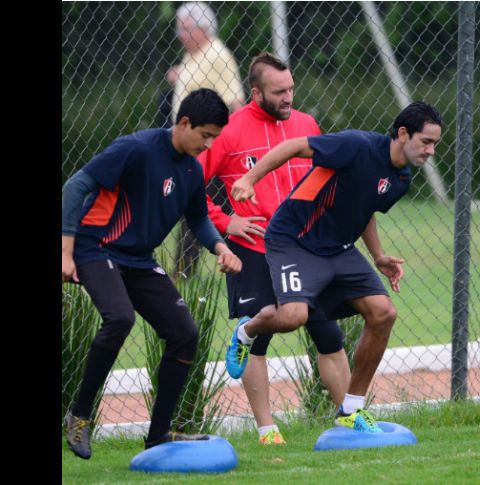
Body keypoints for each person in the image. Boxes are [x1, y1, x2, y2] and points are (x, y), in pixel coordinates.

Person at [227, 102, 443, 433]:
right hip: (294, 240)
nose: (430, 150)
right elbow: (295, 145)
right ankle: (247, 331)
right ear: (403, 133)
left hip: (339, 249)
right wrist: (249, 178)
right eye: (426, 141)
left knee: (384, 313)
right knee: (293, 317)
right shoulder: (357, 146)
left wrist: (379, 255)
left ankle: (351, 409)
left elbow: (366, 206)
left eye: (435, 144)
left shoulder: (401, 179)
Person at [62, 88, 243, 459]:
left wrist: (221, 247)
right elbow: (75, 185)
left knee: (184, 334)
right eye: (204, 135)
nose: (207, 145)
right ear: (184, 123)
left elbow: (198, 218)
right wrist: (65, 251)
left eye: (214, 138)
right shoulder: (137, 149)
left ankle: (159, 434)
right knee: (120, 318)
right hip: (97, 248)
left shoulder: (192, 169)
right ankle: (78, 416)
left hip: (139, 260)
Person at [198, 52, 351, 445]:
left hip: (304, 248)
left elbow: (324, 177)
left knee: (329, 335)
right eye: (279, 91)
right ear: (256, 92)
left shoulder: (306, 125)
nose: (288, 97)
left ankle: (351, 419)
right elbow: (189, 182)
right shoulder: (229, 130)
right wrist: (225, 221)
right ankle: (267, 431)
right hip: (253, 246)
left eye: (291, 89)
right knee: (259, 337)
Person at [167, 1, 246, 275]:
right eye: (179, 29)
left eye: (186, 29)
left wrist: (231, 145)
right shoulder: (193, 55)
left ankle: (185, 272)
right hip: (190, 146)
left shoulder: (217, 54)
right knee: (201, 208)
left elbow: (235, 101)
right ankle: (188, 271)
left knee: (201, 207)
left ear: (203, 29)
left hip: (210, 148)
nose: (180, 34)